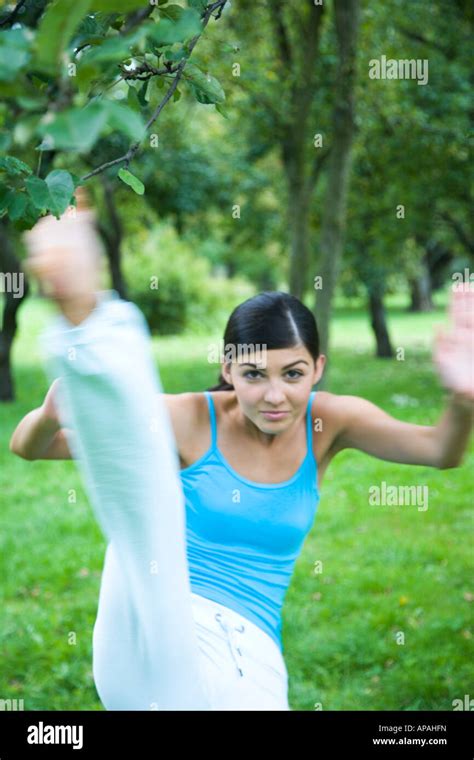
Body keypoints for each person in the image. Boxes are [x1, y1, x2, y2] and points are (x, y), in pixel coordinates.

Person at [11, 194, 474, 711]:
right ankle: (87, 322)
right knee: (143, 518)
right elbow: (30, 446)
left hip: (244, 652)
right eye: (254, 375)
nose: (275, 396)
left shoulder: (331, 422)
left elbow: (440, 451)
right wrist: (53, 411)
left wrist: (462, 398)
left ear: (317, 368)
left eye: (293, 375)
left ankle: (90, 330)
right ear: (229, 369)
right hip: (153, 616)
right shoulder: (190, 417)